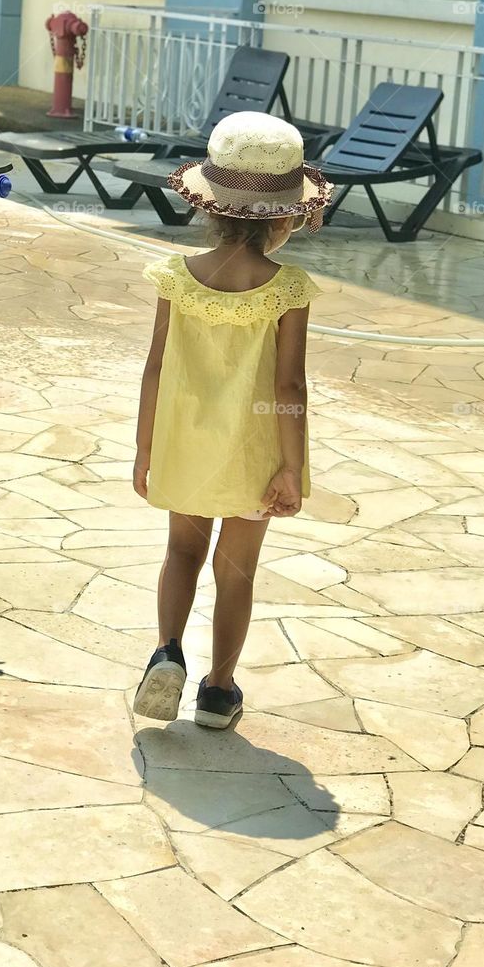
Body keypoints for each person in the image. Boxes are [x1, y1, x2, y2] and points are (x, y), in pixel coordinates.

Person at [132, 112, 333, 728]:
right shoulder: (288, 287)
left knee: (181, 551)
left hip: (184, 442)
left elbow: (156, 367)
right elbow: (289, 384)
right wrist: (291, 467)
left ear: (209, 207)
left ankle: (166, 653)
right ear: (283, 217)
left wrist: (145, 451)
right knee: (236, 570)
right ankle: (219, 691)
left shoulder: (177, 276)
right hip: (254, 455)